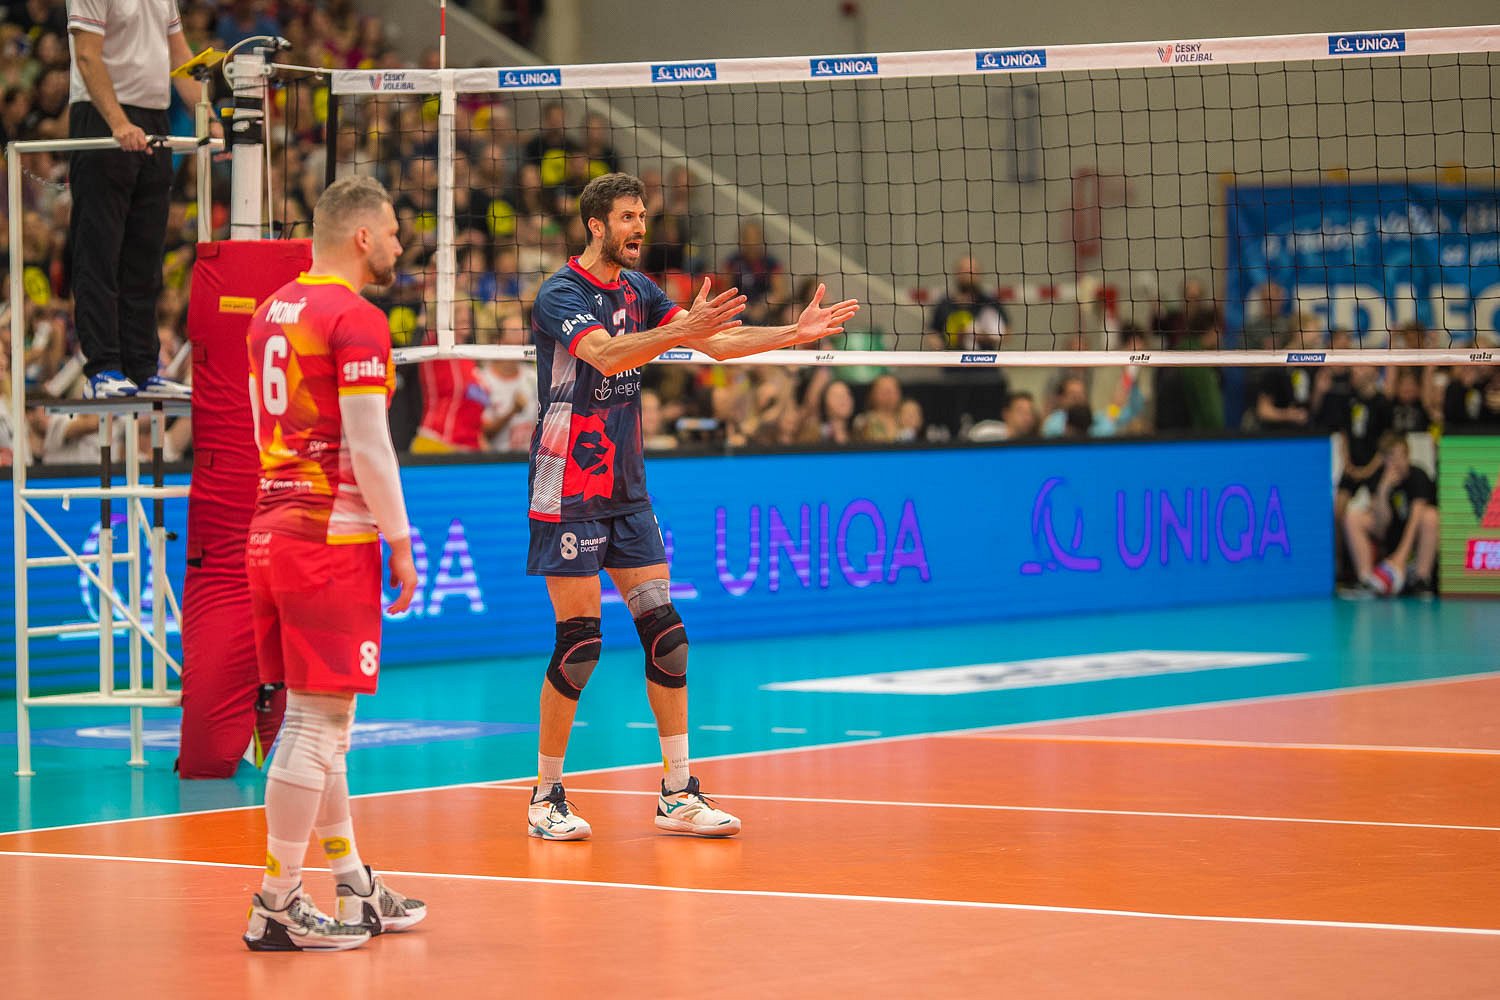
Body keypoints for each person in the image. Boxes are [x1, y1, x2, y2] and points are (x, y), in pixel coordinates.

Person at [525, 172, 858, 840]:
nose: (640, 227)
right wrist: (682, 331)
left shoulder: (640, 290)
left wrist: (791, 334)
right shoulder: (562, 292)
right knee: (580, 646)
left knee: (668, 638)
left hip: (627, 488)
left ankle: (677, 792)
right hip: (569, 486)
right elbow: (607, 354)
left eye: (643, 215)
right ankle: (545, 796)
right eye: (627, 216)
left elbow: (715, 342)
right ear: (596, 225)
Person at [242, 176, 427, 951]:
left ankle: (351, 882)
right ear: (361, 236)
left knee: (325, 722)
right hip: (328, 536)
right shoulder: (354, 318)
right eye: (392, 232)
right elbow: (370, 444)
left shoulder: (269, 311)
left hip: (270, 527)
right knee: (316, 724)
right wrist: (400, 540)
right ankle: (277, 902)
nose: (398, 245)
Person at [67, 0, 212, 398]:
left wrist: (210, 119)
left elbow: (181, 57)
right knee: (99, 250)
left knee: (145, 253)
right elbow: (86, 54)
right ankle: (102, 369)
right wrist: (118, 122)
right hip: (102, 116)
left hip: (153, 118)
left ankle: (143, 368)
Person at [1342, 431, 1439, 596]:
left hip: (1413, 538)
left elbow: (1415, 519)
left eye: (1400, 457)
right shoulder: (1379, 478)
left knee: (1430, 516)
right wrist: (1383, 490)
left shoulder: (1418, 476)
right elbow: (1381, 524)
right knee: (1353, 517)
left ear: (1407, 456)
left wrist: (1400, 557)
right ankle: (1366, 580)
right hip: (1389, 534)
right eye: (1390, 458)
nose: (1396, 463)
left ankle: (1421, 579)